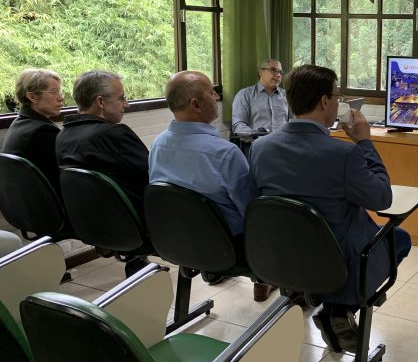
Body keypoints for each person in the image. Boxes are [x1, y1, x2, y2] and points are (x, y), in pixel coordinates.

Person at [249, 64, 411, 352]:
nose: (339, 102)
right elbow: (382, 199)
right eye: (337, 96)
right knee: (400, 238)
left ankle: (309, 293)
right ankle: (340, 306)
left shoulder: (260, 148)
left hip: (282, 254)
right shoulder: (344, 154)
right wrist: (365, 143)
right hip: (337, 263)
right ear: (325, 101)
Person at [149, 71, 272, 301]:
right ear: (195, 104)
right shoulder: (224, 153)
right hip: (228, 248)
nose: (216, 96)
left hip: (177, 240)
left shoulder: (158, 144)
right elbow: (252, 212)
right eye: (211, 92)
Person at [55, 70, 149, 219]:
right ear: (100, 102)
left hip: (93, 223)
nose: (127, 104)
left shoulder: (63, 136)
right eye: (121, 98)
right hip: (133, 221)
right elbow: (153, 175)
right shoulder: (115, 135)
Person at [2, 69, 64, 194]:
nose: (61, 98)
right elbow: (62, 180)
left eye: (60, 92)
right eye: (54, 92)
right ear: (32, 97)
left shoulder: (19, 123)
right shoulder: (42, 133)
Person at [231, 59, 291, 135]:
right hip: (256, 143)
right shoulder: (245, 94)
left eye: (280, 72)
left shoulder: (287, 95)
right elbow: (239, 125)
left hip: (284, 143)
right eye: (273, 70)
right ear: (261, 72)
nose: (278, 75)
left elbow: (294, 122)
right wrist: (257, 136)